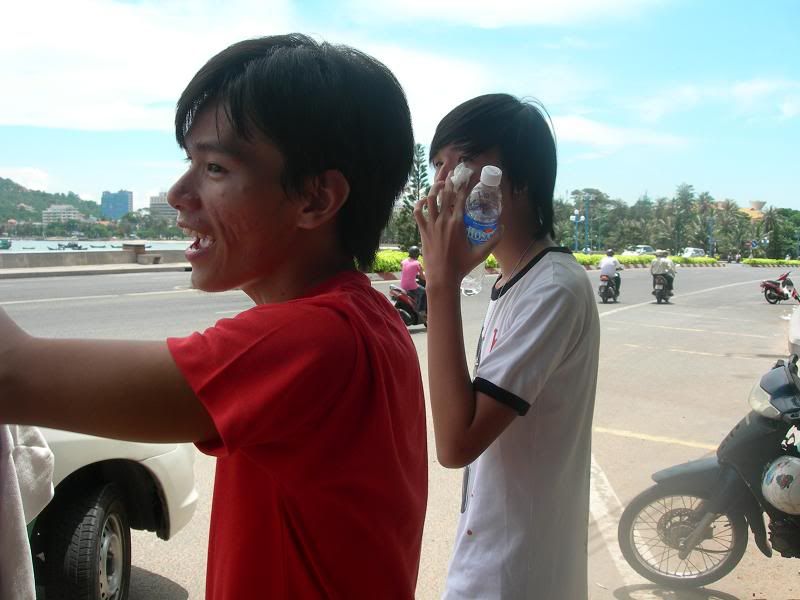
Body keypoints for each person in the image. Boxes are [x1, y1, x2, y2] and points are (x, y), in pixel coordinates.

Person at [0, 34, 428, 599]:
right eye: (190, 163)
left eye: (216, 168)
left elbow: (12, 375)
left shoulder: (314, 340)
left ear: (316, 199)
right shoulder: (368, 317)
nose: (179, 193)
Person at [414, 93, 600, 599]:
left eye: (465, 164)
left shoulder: (553, 288)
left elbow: (455, 442)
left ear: (517, 180)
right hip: (493, 562)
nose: (446, 186)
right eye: (439, 168)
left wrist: (441, 283)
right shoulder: (516, 281)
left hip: (517, 577)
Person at [400, 245, 426, 317]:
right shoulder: (418, 263)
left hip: (403, 285)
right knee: (424, 292)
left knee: (417, 285)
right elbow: (422, 277)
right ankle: (421, 311)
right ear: (417, 254)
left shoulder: (403, 261)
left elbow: (404, 269)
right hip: (411, 286)